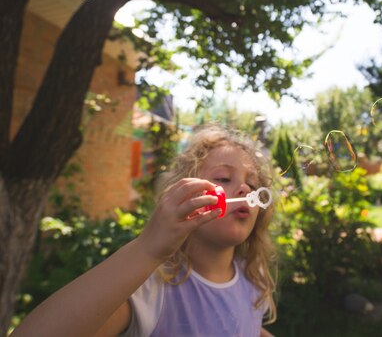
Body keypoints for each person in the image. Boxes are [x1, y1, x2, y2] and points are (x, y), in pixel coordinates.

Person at [13, 124, 277, 337]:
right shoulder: (151, 289)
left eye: (252, 185)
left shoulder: (252, 276)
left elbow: (239, 323)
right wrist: (148, 248)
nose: (245, 190)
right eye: (223, 178)